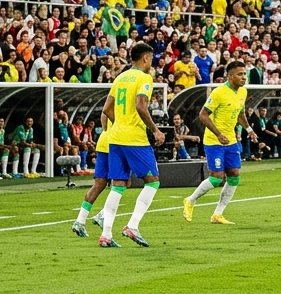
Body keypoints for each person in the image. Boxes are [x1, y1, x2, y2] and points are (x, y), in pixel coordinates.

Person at [97, 42, 167, 248]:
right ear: (145, 58)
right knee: (152, 181)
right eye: (151, 59)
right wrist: (155, 130)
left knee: (117, 185)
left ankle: (106, 235)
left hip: (115, 137)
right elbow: (140, 105)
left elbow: (106, 108)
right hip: (134, 139)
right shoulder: (144, 78)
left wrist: (119, 124)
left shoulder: (120, 77)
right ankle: (132, 225)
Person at [183, 60, 255, 224]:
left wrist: (250, 130)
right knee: (216, 178)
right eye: (240, 74)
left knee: (234, 176)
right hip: (214, 140)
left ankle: (217, 214)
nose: (244, 77)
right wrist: (218, 133)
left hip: (230, 140)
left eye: (245, 74)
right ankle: (190, 200)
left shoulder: (242, 92)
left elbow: (240, 113)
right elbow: (203, 115)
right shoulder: (218, 93)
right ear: (230, 76)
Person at [71, 114, 114, 237]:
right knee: (122, 183)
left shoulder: (112, 98)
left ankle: (80, 221)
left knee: (99, 184)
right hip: (116, 144)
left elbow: (105, 113)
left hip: (103, 142)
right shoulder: (127, 100)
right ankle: (103, 214)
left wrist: (106, 129)